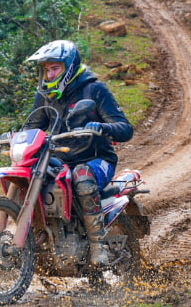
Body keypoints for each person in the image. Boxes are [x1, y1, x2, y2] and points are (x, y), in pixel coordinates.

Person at [23, 40, 133, 267]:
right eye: (46, 69)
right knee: (31, 175)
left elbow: (125, 128)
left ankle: (98, 247)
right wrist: (16, 137)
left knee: (82, 176)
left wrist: (102, 127)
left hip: (96, 159)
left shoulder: (94, 89)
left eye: (55, 69)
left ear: (69, 67)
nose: (50, 74)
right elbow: (32, 127)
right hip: (58, 160)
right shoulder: (46, 96)